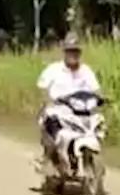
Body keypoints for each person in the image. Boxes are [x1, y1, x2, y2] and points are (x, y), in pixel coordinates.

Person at [34, 34, 100, 167]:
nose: (73, 54)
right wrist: (48, 102)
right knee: (54, 133)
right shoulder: (54, 70)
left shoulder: (86, 71)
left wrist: (98, 100)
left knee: (97, 127)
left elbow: (95, 90)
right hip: (57, 111)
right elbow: (42, 89)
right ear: (64, 52)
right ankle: (47, 158)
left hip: (81, 113)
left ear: (80, 53)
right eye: (70, 51)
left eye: (75, 51)